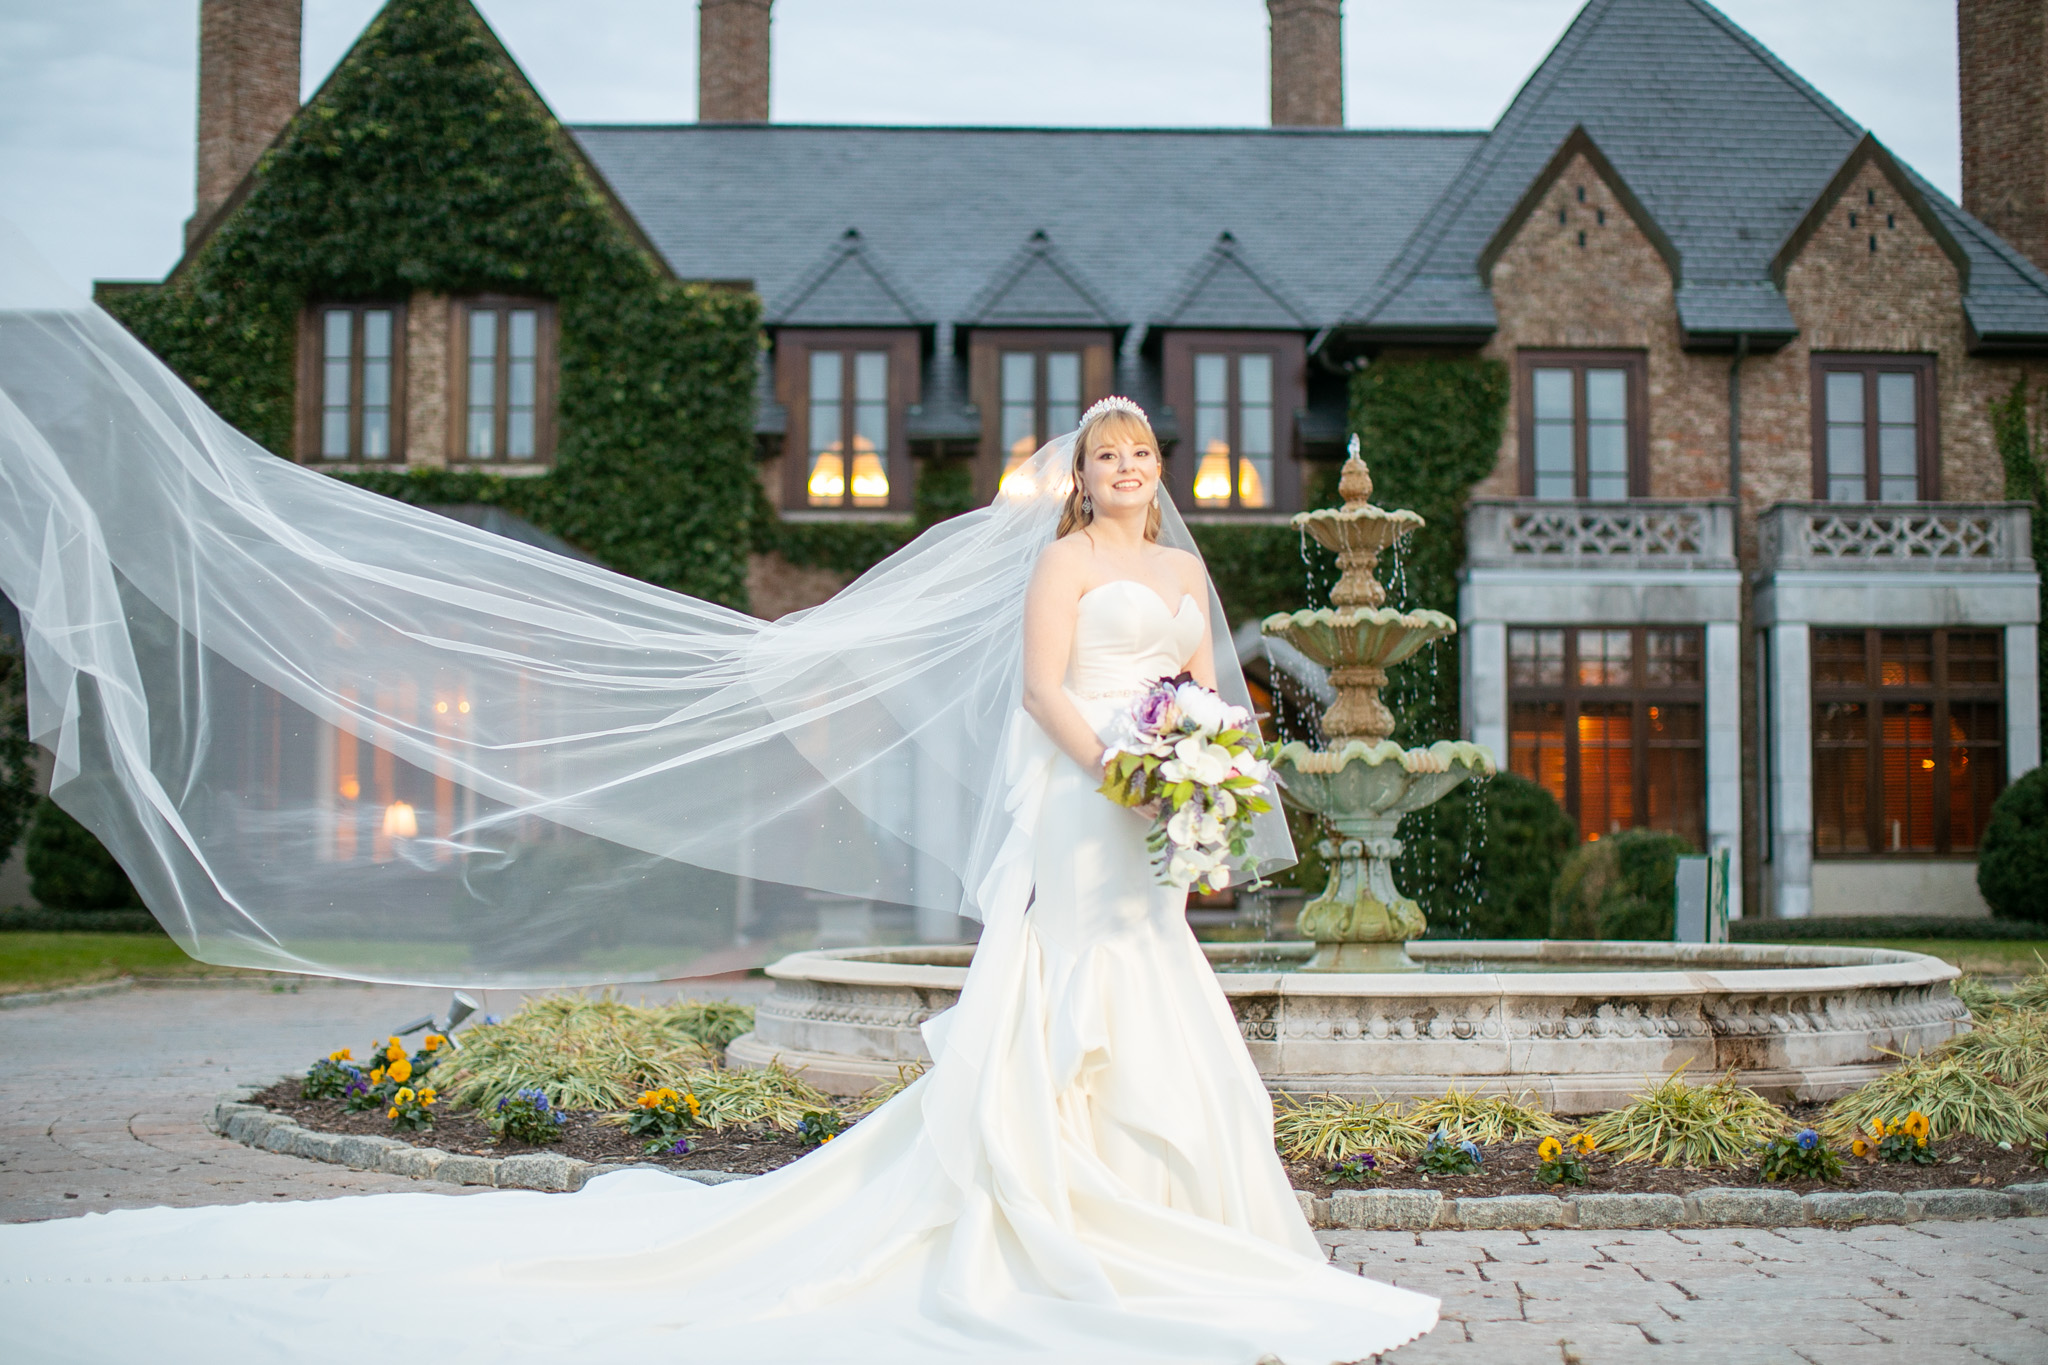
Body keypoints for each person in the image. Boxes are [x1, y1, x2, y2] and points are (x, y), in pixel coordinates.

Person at [0, 227, 1436, 1359]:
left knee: (1158, 976)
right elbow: (1047, 692)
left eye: (1141, 456)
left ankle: (1182, 1213)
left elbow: (1219, 696)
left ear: (1161, 469)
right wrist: (1123, 762)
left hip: (1152, 811)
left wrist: (1207, 780)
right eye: (1106, 456)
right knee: (1064, 986)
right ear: (1086, 474)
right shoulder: (1061, 560)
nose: (1126, 473)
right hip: (1081, 796)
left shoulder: (1188, 572)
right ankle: (1048, 1206)